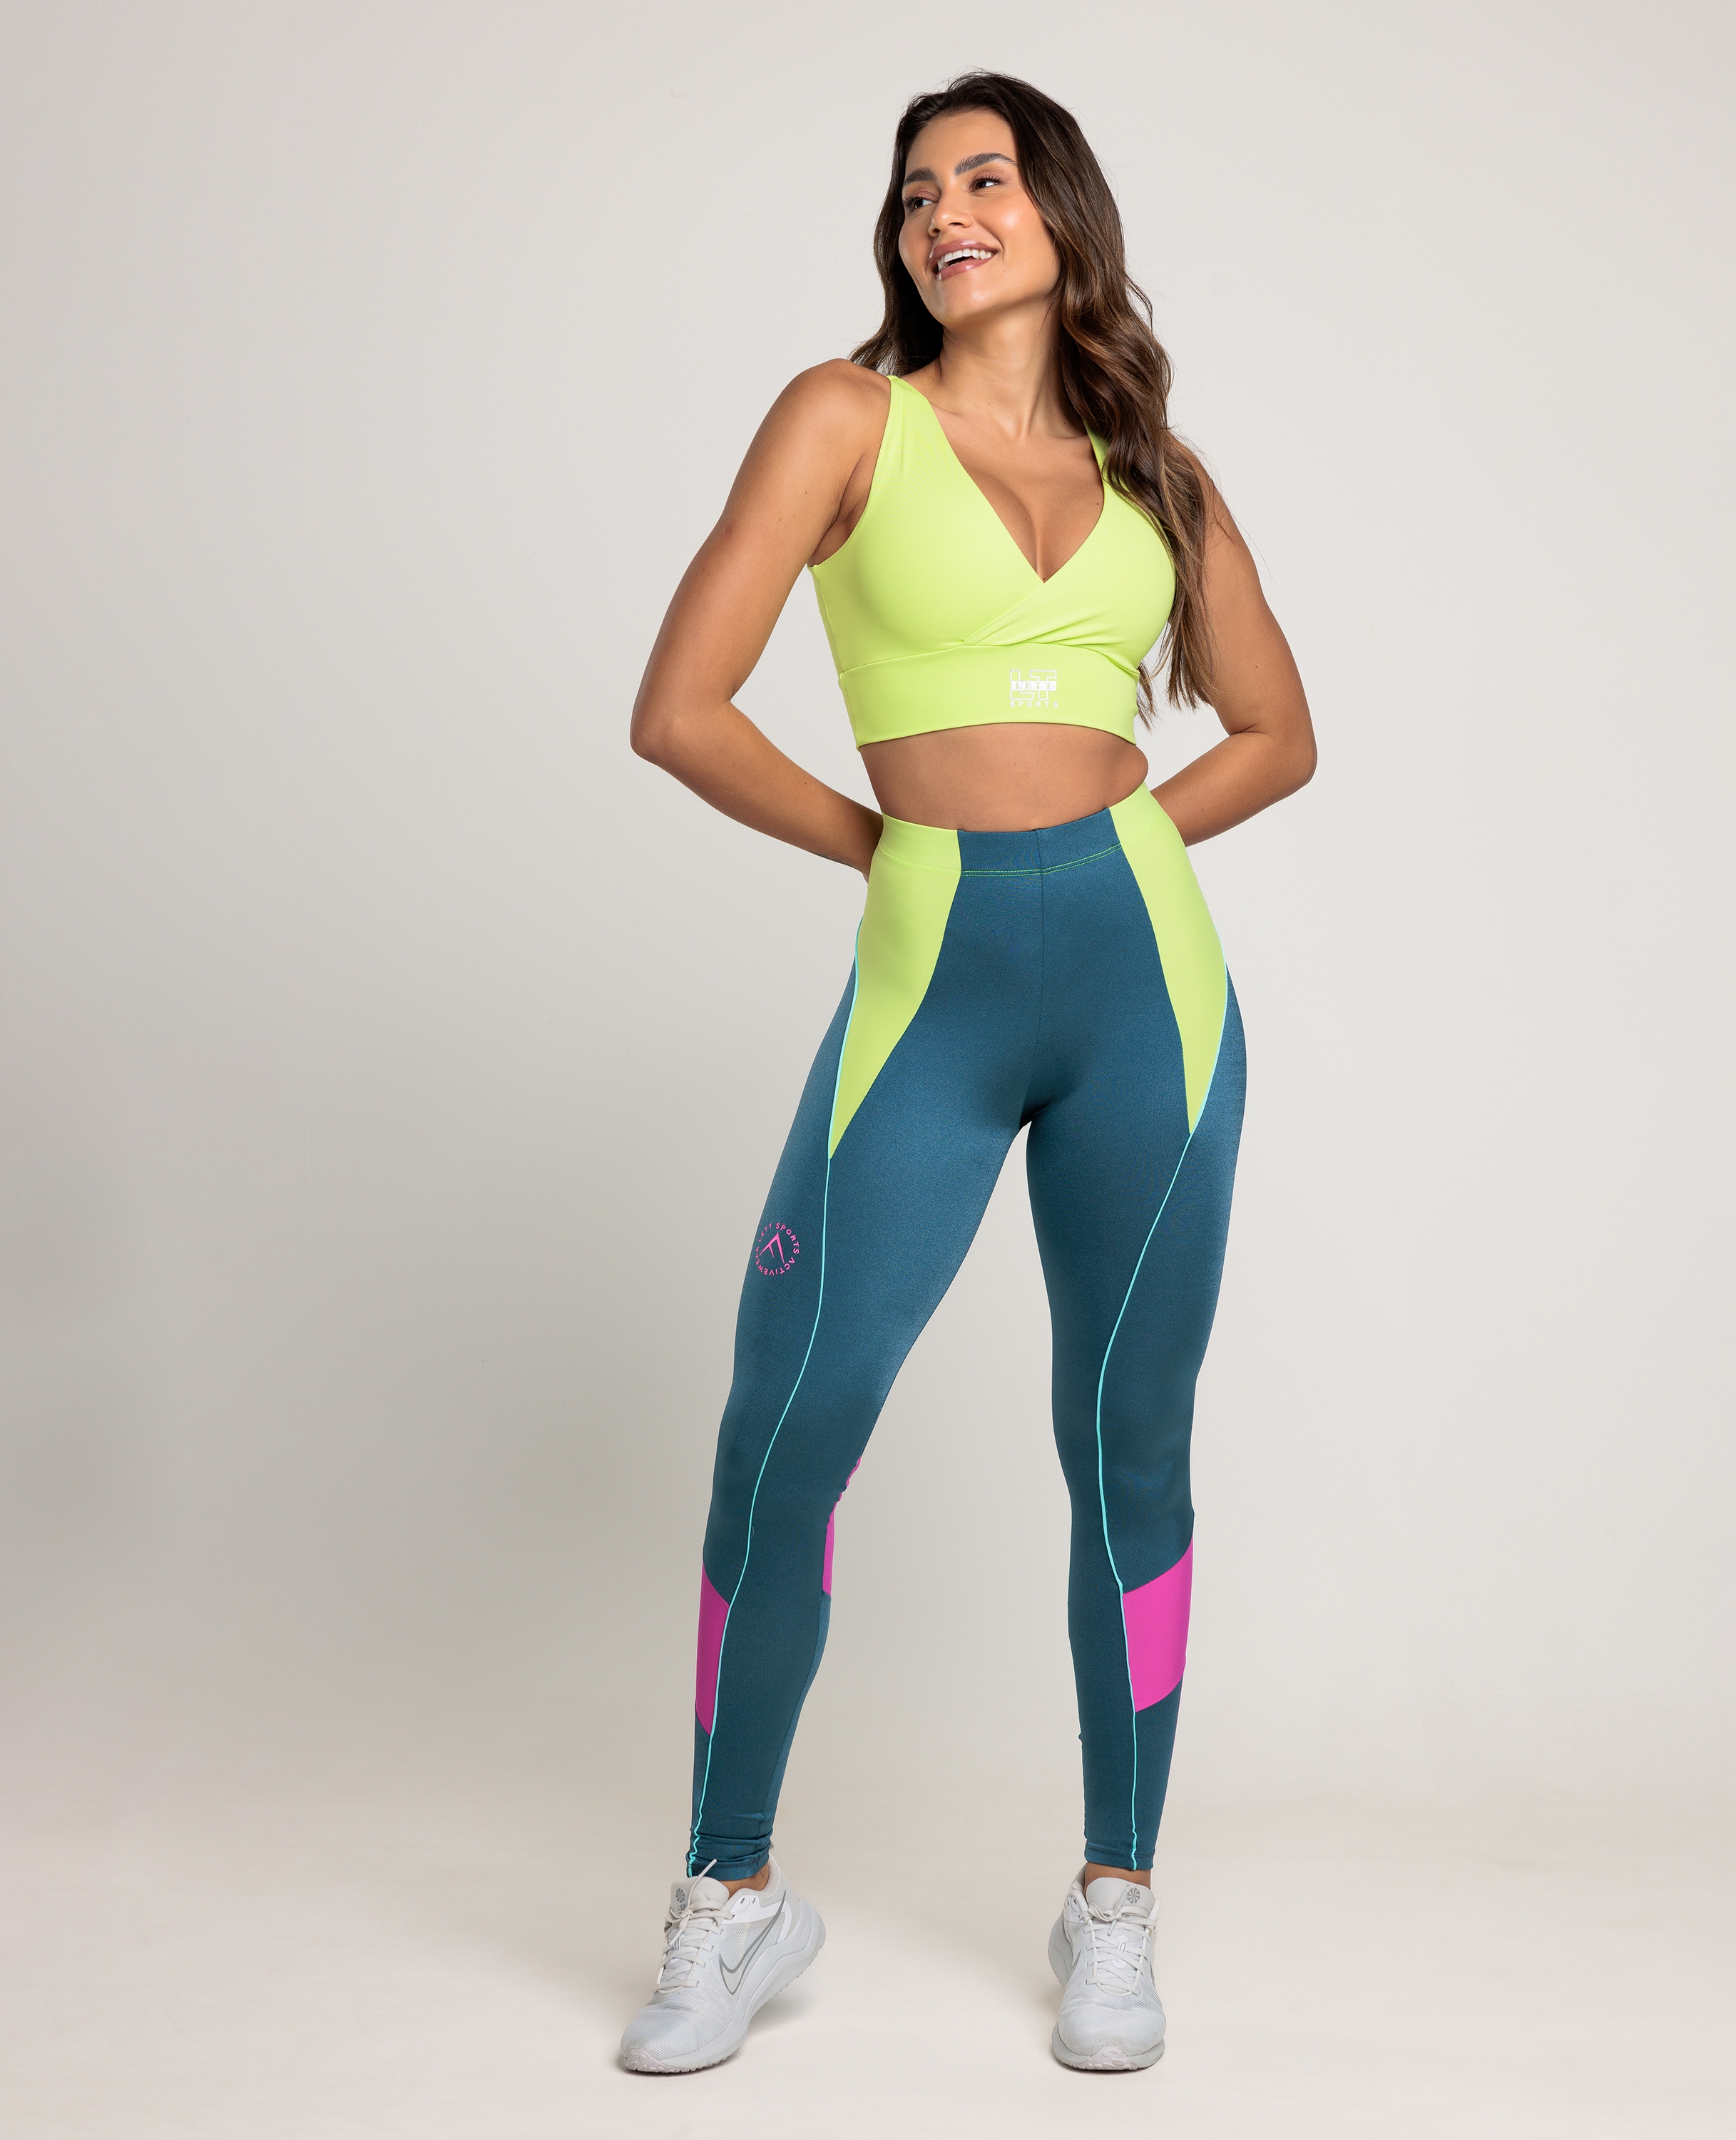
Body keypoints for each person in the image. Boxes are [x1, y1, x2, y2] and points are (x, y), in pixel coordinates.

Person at [617, 71, 1314, 2075]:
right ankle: (732, 1898)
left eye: (987, 179)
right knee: (789, 1420)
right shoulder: (844, 419)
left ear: (1063, 214)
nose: (947, 213)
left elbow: (1277, 732)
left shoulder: (1157, 470)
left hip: (1149, 995)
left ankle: (1117, 1897)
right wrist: (892, 851)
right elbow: (680, 708)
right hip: (929, 984)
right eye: (919, 190)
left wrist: (1118, 845)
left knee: (1129, 1445)